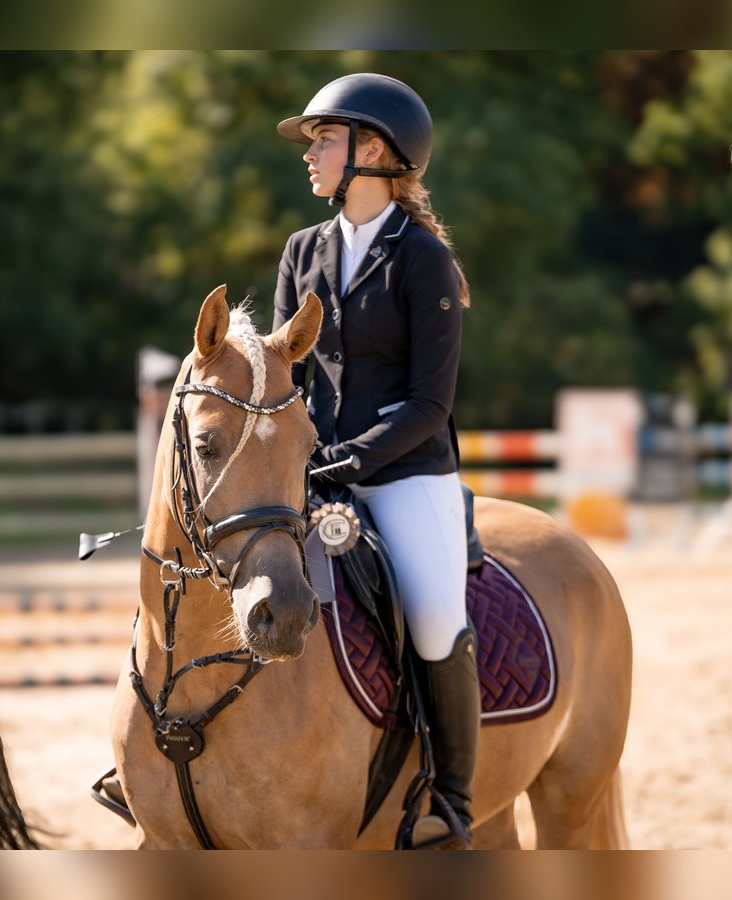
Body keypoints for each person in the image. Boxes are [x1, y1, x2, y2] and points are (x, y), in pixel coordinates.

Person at [273, 73, 479, 849]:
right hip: (312, 472)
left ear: (376, 151)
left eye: (324, 139)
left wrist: (342, 464)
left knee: (431, 617)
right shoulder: (303, 251)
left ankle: (449, 800)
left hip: (406, 478)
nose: (311, 154)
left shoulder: (422, 260)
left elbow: (430, 404)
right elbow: (285, 375)